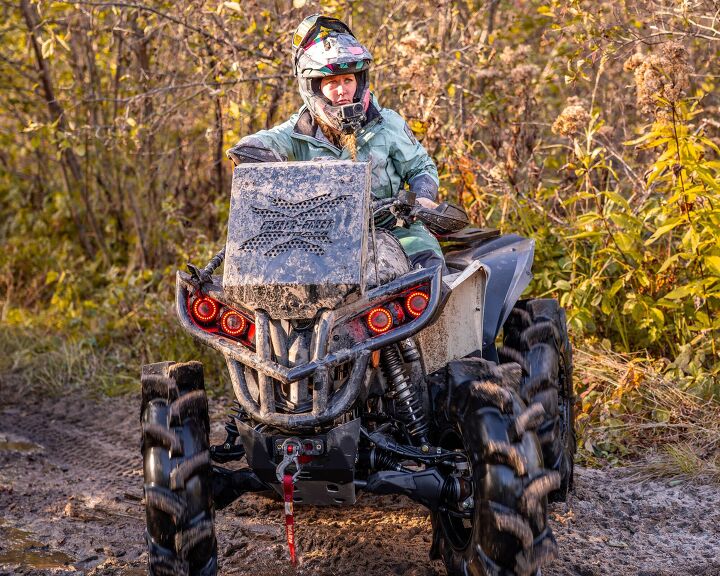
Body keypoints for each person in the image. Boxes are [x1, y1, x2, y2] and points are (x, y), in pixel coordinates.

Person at [227, 14, 444, 271]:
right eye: (332, 82)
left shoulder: (387, 124)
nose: (342, 90)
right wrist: (255, 156)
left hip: (392, 226)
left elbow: (422, 168)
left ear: (359, 81)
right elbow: (256, 145)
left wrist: (422, 199)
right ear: (314, 87)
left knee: (430, 269)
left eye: (348, 80)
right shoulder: (300, 131)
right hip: (322, 234)